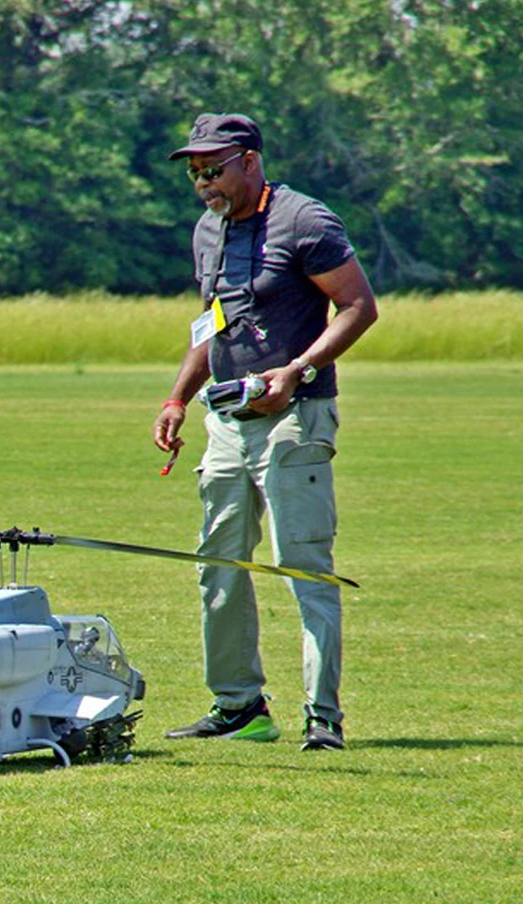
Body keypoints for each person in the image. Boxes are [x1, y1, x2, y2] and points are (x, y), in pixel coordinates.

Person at [153, 113, 378, 751]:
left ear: (249, 160)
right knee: (217, 564)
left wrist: (298, 369)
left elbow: (359, 306)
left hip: (295, 415)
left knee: (303, 564)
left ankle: (323, 715)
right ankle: (239, 707)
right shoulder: (208, 231)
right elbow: (213, 323)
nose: (203, 183)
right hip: (225, 418)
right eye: (195, 173)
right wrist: (177, 396)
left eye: (213, 169)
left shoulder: (305, 221)